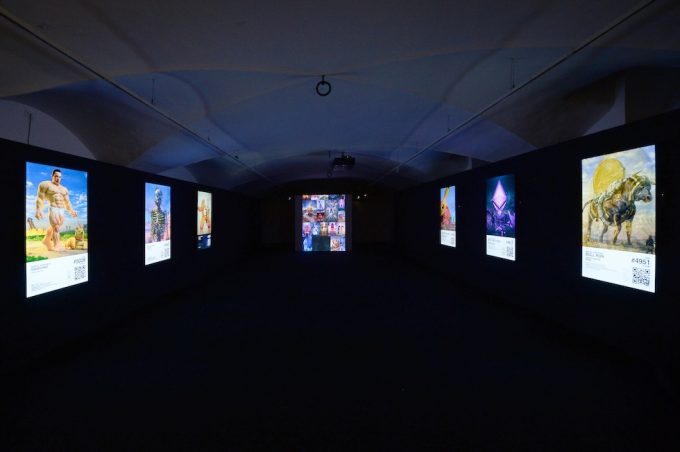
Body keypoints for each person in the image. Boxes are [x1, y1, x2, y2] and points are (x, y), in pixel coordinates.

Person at [35, 169, 77, 251]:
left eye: (60, 177)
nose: (58, 178)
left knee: (54, 227)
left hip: (62, 210)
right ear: (52, 176)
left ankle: (46, 240)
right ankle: (57, 245)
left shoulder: (64, 189)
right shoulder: (45, 184)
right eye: (56, 176)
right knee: (56, 227)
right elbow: (40, 198)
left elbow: (67, 202)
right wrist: (38, 210)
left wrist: (71, 211)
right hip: (53, 208)